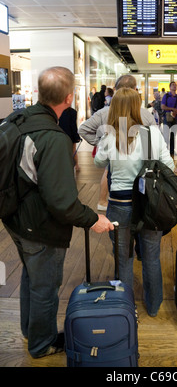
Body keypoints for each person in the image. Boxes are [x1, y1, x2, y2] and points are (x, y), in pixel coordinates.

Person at [2, 67, 114, 359]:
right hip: (39, 226)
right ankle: (42, 344)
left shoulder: (18, 119)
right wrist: (94, 219)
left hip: (15, 218)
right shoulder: (53, 139)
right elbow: (62, 201)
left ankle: (31, 330)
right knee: (46, 287)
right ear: (69, 97)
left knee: (31, 275)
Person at [94, 88, 174, 317]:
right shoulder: (151, 133)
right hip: (148, 204)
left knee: (124, 259)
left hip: (119, 205)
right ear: (137, 106)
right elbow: (168, 165)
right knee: (151, 257)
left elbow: (100, 163)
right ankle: (154, 305)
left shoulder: (110, 134)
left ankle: (125, 307)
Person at [79, 75, 156, 213]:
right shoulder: (145, 114)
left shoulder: (104, 113)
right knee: (141, 205)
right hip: (141, 167)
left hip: (115, 169)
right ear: (135, 90)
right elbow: (155, 141)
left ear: (115, 89)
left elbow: (83, 130)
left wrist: (105, 145)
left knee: (117, 207)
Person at [161, 81, 177, 157]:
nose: (174, 86)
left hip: (175, 118)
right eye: (173, 85)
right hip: (167, 118)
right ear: (170, 87)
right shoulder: (166, 96)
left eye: (175, 85)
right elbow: (162, 106)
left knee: (173, 135)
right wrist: (173, 109)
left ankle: (172, 152)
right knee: (166, 135)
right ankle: (165, 152)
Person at [59, 106, 81, 171]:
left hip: (60, 134)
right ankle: (76, 165)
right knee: (73, 150)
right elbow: (73, 126)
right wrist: (76, 137)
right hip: (70, 135)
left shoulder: (57, 111)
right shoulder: (73, 112)